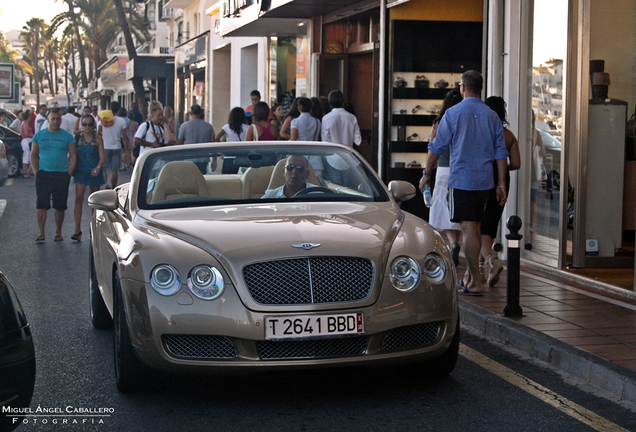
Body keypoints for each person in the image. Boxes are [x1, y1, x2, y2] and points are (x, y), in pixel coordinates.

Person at [419, 70, 508, 296]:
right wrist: (502, 184)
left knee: (469, 229)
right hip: (486, 180)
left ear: (463, 87)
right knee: (476, 228)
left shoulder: (453, 113)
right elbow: (500, 153)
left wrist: (427, 173)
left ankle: (475, 281)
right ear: (481, 88)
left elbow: (437, 147)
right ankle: (470, 277)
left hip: (462, 179)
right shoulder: (492, 116)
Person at [479, 96, 522, 286]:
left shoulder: (482, 133)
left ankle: (490, 262)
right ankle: (483, 270)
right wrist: (502, 168)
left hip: (484, 177)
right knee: (491, 223)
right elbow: (517, 163)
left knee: (478, 225)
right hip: (503, 180)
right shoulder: (509, 136)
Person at [426, 90, 463, 262]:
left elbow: (433, 148)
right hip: (460, 169)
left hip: (442, 169)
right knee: (457, 208)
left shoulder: (439, 122)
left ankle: (453, 243)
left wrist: (427, 171)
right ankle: (456, 242)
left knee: (443, 209)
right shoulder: (463, 120)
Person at [30, 108, 77, 243]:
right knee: (41, 204)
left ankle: (58, 232)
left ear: (61, 120)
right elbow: (33, 153)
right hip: (44, 173)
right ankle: (41, 232)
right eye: (53, 119)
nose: (55, 122)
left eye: (58, 119)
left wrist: (70, 170)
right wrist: (35, 171)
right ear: (48, 120)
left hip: (61, 174)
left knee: (60, 205)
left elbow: (73, 155)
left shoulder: (67, 136)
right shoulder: (39, 135)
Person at [72, 114, 105, 242]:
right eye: (84, 124)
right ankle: (77, 230)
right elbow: (72, 155)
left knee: (94, 201)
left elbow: (102, 156)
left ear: (93, 126)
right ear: (81, 125)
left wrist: (98, 167)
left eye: (90, 124)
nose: (87, 127)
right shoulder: (77, 139)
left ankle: (94, 229)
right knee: (78, 199)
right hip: (81, 171)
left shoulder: (98, 139)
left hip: (93, 171)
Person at [321, 89, 362, 185]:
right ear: (342, 101)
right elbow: (358, 141)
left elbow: (325, 141)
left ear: (329, 102)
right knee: (347, 187)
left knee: (335, 186)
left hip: (332, 158)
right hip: (348, 158)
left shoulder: (326, 118)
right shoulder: (352, 117)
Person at [97, 101, 128, 189]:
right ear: (118, 109)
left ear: (110, 108)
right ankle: (114, 187)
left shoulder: (102, 120)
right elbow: (124, 137)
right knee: (115, 170)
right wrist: (126, 150)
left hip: (104, 147)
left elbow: (98, 134)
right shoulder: (122, 121)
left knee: (104, 168)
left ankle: (106, 183)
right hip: (117, 147)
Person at [290, 97, 323, 176]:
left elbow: (293, 141)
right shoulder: (317, 122)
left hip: (300, 157)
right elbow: (319, 139)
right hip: (315, 157)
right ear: (310, 109)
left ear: (299, 108)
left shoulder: (295, 121)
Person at [20, 110, 34, 178]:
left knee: (28, 155)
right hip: (26, 140)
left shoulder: (24, 123)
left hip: (26, 140)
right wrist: (33, 135)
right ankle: (25, 172)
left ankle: (28, 171)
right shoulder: (25, 124)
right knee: (26, 155)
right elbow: (26, 134)